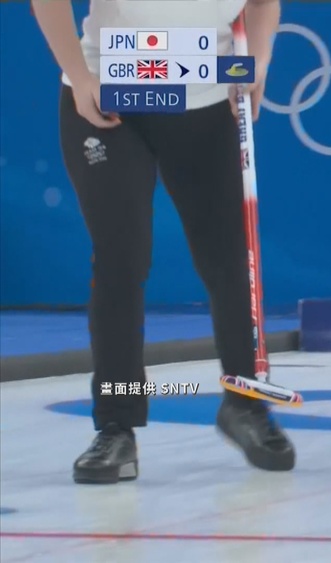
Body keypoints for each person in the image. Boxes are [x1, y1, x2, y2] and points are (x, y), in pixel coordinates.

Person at [32, 0, 294, 484]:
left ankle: (246, 405)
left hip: (203, 97)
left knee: (227, 261)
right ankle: (116, 424)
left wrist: (255, 64)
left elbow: (262, 4)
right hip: (112, 94)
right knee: (121, 260)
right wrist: (80, 75)